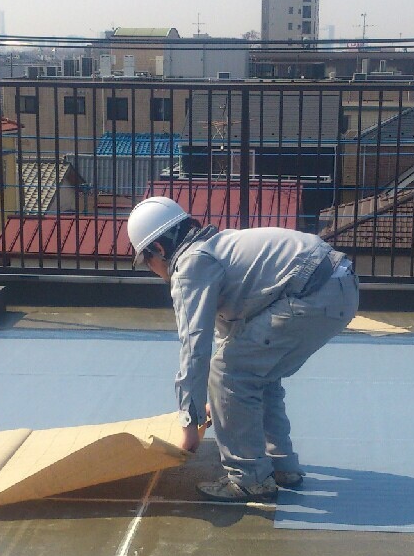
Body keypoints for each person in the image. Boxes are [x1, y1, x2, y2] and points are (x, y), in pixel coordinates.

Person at [128, 196, 359, 503]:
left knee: (230, 373)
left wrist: (189, 423)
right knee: (255, 374)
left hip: (314, 293)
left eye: (147, 262)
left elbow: (195, 350)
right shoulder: (218, 249)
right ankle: (280, 464)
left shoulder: (190, 266)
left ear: (158, 248)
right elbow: (231, 340)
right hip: (337, 287)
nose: (152, 270)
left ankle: (250, 477)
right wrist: (216, 403)